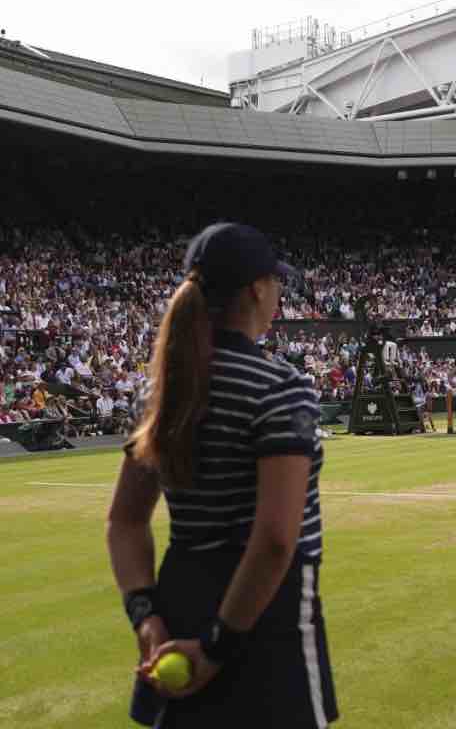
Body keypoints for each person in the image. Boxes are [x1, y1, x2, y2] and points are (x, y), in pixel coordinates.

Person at [105, 223, 338, 728]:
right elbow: (276, 540)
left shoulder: (160, 391)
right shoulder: (281, 387)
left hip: (179, 603)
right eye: (275, 284)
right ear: (258, 289)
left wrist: (147, 619)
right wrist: (218, 646)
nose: (278, 294)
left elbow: (124, 521)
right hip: (266, 610)